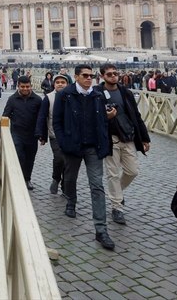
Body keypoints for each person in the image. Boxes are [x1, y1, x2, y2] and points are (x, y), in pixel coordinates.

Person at [52, 64, 115, 250]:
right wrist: (64, 143)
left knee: (97, 185)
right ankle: (71, 201)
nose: (89, 78)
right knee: (70, 178)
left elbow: (102, 119)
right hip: (73, 146)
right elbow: (57, 121)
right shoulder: (64, 95)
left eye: (91, 75)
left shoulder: (98, 94)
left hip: (93, 146)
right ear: (77, 77)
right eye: (85, 75)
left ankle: (101, 230)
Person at [95, 64, 151, 225]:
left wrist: (145, 138)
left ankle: (116, 193)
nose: (113, 76)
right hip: (110, 138)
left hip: (128, 137)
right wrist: (107, 117)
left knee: (132, 171)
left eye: (115, 73)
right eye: (110, 74)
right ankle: (117, 207)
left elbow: (136, 115)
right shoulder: (97, 93)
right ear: (102, 76)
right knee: (112, 173)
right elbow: (93, 118)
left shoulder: (125, 92)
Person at [0, 75, 42, 190]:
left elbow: (42, 118)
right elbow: (5, 115)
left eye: (27, 87)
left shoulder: (38, 100)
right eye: (22, 87)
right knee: (19, 156)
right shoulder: (12, 99)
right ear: (18, 86)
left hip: (32, 135)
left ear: (31, 86)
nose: (25, 89)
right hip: (17, 133)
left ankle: (27, 179)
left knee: (30, 159)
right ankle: (17, 178)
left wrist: (43, 135)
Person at [36, 74, 69, 195]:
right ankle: (56, 178)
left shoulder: (72, 95)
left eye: (63, 82)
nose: (60, 84)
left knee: (69, 160)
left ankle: (66, 183)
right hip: (54, 134)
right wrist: (42, 135)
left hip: (70, 135)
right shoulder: (48, 98)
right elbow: (42, 116)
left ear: (67, 84)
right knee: (59, 158)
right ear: (54, 84)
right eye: (58, 82)